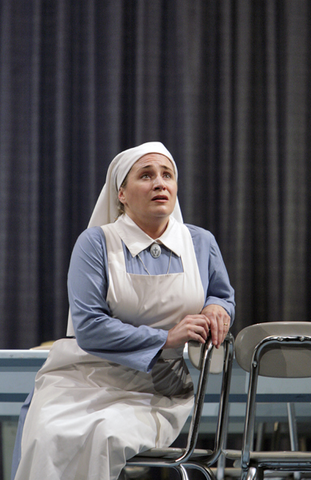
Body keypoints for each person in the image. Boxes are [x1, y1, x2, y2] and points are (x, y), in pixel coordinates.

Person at [12, 142, 235, 480]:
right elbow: (88, 326)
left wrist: (218, 306)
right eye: (146, 175)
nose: (160, 183)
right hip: (87, 376)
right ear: (122, 194)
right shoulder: (96, 243)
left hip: (160, 386)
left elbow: (221, 294)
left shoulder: (200, 242)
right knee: (50, 433)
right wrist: (165, 337)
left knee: (105, 434)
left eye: (167, 175)